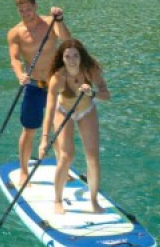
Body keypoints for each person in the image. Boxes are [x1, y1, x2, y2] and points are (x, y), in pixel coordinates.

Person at [41, 38, 110, 215]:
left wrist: (92, 93)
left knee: (93, 157)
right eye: (67, 56)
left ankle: (93, 200)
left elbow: (106, 94)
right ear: (62, 58)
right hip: (63, 111)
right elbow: (49, 108)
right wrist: (44, 139)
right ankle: (57, 200)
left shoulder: (90, 71)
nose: (72, 60)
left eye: (75, 56)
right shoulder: (58, 77)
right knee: (66, 156)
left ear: (81, 56)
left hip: (86, 110)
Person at [7, 0, 70, 184]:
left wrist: (59, 19)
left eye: (28, 9)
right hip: (33, 86)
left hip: (54, 85)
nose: (25, 13)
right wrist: (20, 74)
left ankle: (62, 168)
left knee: (57, 127)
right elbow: (15, 59)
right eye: (21, 10)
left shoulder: (51, 23)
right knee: (29, 129)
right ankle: (24, 171)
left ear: (35, 6)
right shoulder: (15, 33)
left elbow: (68, 41)